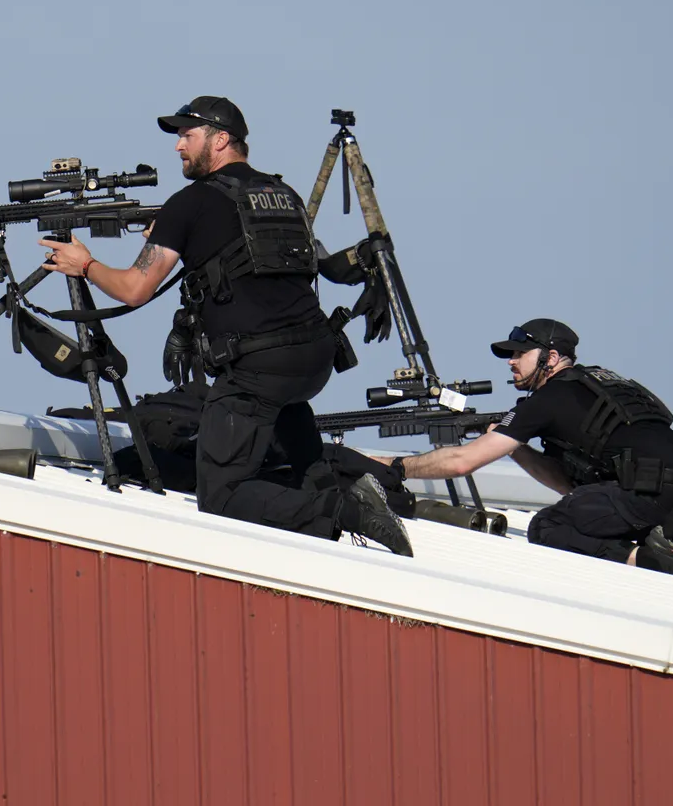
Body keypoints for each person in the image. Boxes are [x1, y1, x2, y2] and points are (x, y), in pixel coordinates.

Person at [39, 96, 412, 556]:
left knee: (221, 495)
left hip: (258, 366)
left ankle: (350, 512)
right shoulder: (283, 194)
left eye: (186, 135)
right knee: (299, 456)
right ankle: (338, 499)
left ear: (219, 140)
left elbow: (135, 288)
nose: (177, 146)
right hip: (313, 359)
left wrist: (86, 264)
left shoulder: (190, 203)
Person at [373, 319, 673, 587]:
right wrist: (518, 450)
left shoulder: (547, 399)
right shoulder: (606, 384)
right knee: (637, 525)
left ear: (552, 358)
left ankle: (654, 562)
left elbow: (463, 461)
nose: (511, 362)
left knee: (549, 527)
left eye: (520, 353)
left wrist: (396, 466)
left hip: (649, 491)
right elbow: (571, 489)